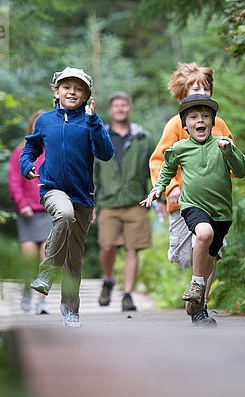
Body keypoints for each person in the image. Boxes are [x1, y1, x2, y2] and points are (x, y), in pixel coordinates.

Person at [141, 94, 245, 327]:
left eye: (205, 116)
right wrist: (158, 189)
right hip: (192, 206)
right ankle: (197, 285)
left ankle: (198, 306)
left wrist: (229, 151)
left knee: (211, 257)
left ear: (212, 121)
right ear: (185, 124)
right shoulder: (179, 148)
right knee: (203, 233)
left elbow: (241, 171)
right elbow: (167, 170)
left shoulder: (223, 145)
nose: (199, 120)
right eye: (193, 117)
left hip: (222, 212)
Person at [20, 67, 114, 328]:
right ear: (57, 91)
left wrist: (95, 122)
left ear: (86, 96)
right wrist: (26, 165)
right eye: (66, 87)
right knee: (64, 213)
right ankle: (48, 270)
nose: (72, 92)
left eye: (78, 88)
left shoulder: (90, 122)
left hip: (83, 196)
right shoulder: (45, 121)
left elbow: (106, 153)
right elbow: (30, 147)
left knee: (74, 259)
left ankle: (70, 310)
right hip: (52, 188)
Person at [149, 62, 235, 319]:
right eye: (195, 87)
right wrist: (171, 187)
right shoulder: (176, 125)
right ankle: (197, 291)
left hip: (216, 202)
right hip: (185, 201)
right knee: (191, 253)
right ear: (182, 93)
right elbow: (158, 160)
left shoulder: (218, 123)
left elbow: (232, 155)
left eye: (206, 88)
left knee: (213, 253)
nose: (202, 92)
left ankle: (201, 304)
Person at [94, 91, 154, 311]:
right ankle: (109, 279)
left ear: (130, 108)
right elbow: (92, 172)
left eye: (124, 105)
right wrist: (90, 202)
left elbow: (155, 169)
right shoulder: (99, 137)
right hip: (108, 202)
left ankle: (127, 294)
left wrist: (162, 197)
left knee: (133, 248)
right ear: (110, 110)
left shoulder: (143, 138)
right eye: (116, 106)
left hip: (136, 201)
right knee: (107, 246)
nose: (120, 109)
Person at [8, 109, 52, 315]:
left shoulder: (54, 149)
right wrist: (21, 203)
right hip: (28, 213)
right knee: (28, 258)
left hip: (49, 210)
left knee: (47, 255)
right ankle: (26, 291)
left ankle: (41, 300)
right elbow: (15, 181)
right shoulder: (20, 151)